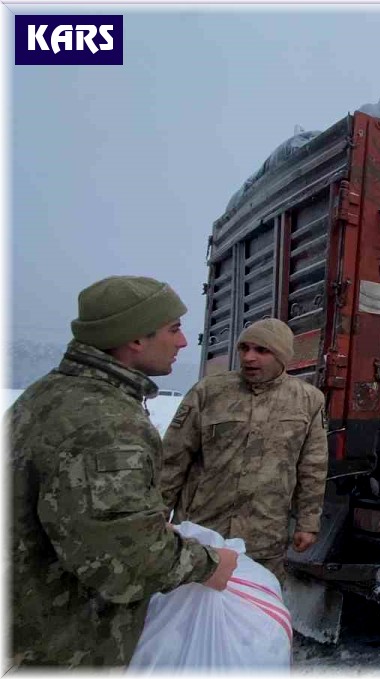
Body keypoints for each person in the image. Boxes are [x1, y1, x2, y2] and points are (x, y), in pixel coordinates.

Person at [9, 276, 238, 667]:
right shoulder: (106, 422)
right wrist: (210, 565)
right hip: (65, 645)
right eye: (174, 329)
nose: (183, 343)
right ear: (135, 338)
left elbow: (79, 515)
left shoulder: (50, 394)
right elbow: (125, 563)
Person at [160, 318, 328, 579]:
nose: (249, 357)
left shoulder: (308, 400)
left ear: (282, 356)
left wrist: (308, 523)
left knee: (255, 615)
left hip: (264, 539)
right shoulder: (209, 392)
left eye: (262, 351)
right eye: (244, 348)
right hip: (201, 535)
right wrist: (157, 517)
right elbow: (172, 460)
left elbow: (313, 467)